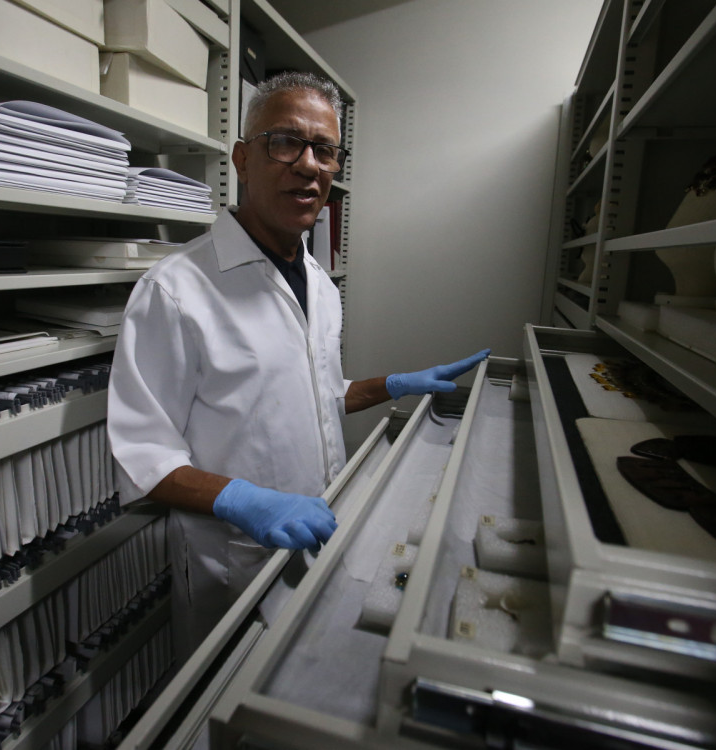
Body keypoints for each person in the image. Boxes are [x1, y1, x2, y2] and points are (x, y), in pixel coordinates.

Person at [108, 71, 488, 660]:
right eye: (286, 142)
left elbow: (316, 394)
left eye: (325, 149)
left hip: (318, 529)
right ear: (242, 159)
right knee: (222, 693)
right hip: (232, 560)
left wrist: (391, 386)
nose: (309, 165)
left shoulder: (319, 282)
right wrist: (243, 500)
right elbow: (143, 456)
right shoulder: (175, 290)